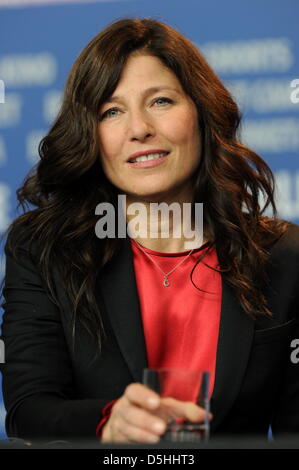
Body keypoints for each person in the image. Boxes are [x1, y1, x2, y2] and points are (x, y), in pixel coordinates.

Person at [1, 17, 299, 444]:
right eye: (111, 111)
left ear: (201, 112)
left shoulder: (284, 254)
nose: (138, 129)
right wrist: (108, 423)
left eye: (160, 101)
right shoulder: (45, 248)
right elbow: (30, 408)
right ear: (91, 134)